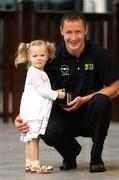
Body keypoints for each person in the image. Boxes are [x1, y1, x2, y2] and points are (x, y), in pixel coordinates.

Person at [15, 11, 119, 173]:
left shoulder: (99, 53)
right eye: (69, 32)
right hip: (63, 113)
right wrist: (22, 116)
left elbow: (115, 87)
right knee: (47, 130)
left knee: (102, 100)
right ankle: (70, 155)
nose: (74, 37)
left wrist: (85, 99)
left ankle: (96, 156)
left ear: (85, 30)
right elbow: (35, 90)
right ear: (61, 31)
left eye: (78, 31)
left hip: (91, 114)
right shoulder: (52, 57)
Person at [15, 40, 65, 173]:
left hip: (30, 110)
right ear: (29, 57)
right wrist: (57, 94)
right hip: (34, 111)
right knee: (34, 139)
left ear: (48, 56)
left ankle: (29, 163)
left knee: (29, 139)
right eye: (35, 56)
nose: (39, 58)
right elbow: (42, 90)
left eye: (42, 55)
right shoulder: (35, 73)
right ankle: (36, 165)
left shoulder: (37, 72)